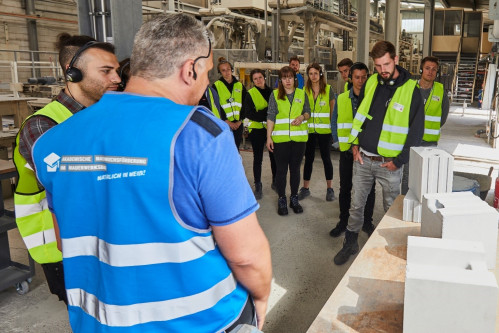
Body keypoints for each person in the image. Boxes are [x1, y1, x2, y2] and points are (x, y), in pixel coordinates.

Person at [33, 13, 272, 332]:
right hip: (201, 322)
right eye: (207, 72)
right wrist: (261, 296)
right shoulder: (197, 134)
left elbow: (67, 242)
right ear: (191, 69)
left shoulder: (52, 143)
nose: (206, 82)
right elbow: (246, 256)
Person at [13, 33, 120, 305]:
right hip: (63, 249)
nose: (117, 79)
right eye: (106, 71)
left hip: (108, 240)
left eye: (116, 71)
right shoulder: (41, 126)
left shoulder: (104, 117)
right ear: (71, 73)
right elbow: (75, 183)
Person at [333, 41, 424, 265]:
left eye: (386, 64)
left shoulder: (411, 90)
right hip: (363, 158)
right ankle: (350, 243)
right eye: (378, 65)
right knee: (357, 204)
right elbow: (362, 114)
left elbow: (416, 132)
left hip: (389, 165)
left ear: (395, 60)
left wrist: (399, 161)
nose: (382, 70)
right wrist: (355, 143)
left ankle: (390, 248)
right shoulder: (372, 81)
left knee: (391, 209)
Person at [330, 62, 376, 237]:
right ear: (351, 77)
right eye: (357, 77)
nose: (360, 81)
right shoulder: (342, 99)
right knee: (345, 188)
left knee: (368, 189)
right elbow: (334, 122)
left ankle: (367, 222)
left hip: (367, 153)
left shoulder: (373, 100)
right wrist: (338, 142)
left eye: (364, 77)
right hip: (348, 152)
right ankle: (343, 221)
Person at [401, 56, 449, 195]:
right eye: (427, 68)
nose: (430, 72)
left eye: (434, 69)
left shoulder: (440, 91)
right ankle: (405, 204)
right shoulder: (410, 88)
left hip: (430, 143)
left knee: (427, 177)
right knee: (408, 177)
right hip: (410, 141)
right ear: (421, 69)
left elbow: (443, 117)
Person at [267, 66, 311, 216]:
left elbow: (308, 112)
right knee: (281, 171)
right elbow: (271, 116)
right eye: (284, 78)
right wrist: (269, 137)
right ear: (280, 80)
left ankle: (294, 198)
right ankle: (281, 199)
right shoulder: (275, 95)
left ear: (294, 79)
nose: (287, 80)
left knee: (295, 170)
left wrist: (302, 117)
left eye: (290, 77)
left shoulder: (301, 93)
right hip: (281, 140)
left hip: (299, 140)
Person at [298, 63, 336, 202]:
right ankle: (305, 188)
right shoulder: (304, 90)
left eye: (316, 73)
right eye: (311, 73)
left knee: (327, 159)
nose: (313, 76)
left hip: (325, 131)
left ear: (320, 74)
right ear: (308, 75)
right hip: (309, 131)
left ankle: (330, 189)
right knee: (309, 159)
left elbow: (333, 111)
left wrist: (333, 131)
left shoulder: (328, 89)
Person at [242, 69, 276, 199]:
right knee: (258, 159)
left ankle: (275, 181)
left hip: (271, 129)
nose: (258, 80)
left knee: (274, 157)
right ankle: (258, 185)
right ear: (253, 80)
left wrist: (262, 112)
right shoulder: (250, 94)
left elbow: (275, 110)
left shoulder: (272, 92)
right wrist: (266, 114)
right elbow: (249, 114)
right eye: (255, 79)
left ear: (264, 78)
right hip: (256, 130)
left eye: (260, 77)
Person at [213, 57, 247, 149]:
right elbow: (216, 106)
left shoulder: (239, 85)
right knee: (225, 150)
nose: (227, 72)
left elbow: (245, 104)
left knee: (236, 150)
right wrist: (227, 121)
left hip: (238, 124)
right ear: (220, 72)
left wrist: (240, 121)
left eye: (228, 69)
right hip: (224, 124)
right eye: (223, 70)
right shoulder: (216, 86)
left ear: (231, 69)